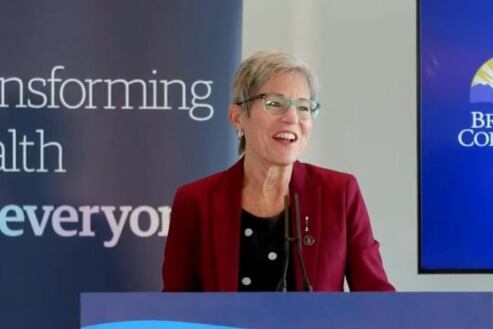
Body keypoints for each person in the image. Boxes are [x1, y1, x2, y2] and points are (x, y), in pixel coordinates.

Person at [162, 50, 393, 292]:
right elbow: (176, 307)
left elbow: (375, 296)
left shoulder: (339, 192)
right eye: (274, 103)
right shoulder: (196, 201)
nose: (292, 118)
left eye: (304, 107)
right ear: (237, 117)